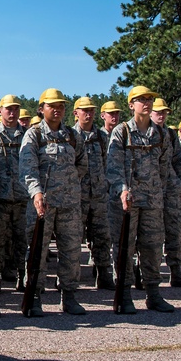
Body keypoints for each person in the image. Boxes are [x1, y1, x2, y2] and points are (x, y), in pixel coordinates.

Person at [19, 88, 89, 316]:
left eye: (61, 106)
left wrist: (67, 184)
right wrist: (37, 193)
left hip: (69, 204)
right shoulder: (34, 134)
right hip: (43, 205)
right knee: (38, 251)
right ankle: (35, 296)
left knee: (71, 250)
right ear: (41, 109)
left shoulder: (71, 135)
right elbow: (27, 169)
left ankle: (69, 296)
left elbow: (82, 164)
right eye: (52, 106)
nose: (57, 109)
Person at [106, 87, 176, 313]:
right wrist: (123, 190)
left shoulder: (162, 134)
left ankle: (153, 293)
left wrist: (159, 191)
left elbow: (165, 168)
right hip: (127, 201)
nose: (146, 103)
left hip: (153, 201)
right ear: (130, 104)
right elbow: (113, 166)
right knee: (125, 247)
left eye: (149, 99)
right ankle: (124, 293)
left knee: (153, 247)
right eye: (140, 100)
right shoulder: (122, 131)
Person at [0, 95, 29, 293]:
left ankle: (22, 274)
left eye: (15, 109)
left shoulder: (28, 135)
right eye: (8, 109)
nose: (12, 113)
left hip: (23, 197)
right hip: (0, 198)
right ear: (0, 110)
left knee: (22, 238)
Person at [72, 96, 115, 292]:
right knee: (72, 237)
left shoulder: (102, 137)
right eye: (84, 110)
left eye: (91, 110)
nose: (88, 114)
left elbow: (108, 163)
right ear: (76, 113)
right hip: (76, 195)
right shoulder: (70, 136)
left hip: (99, 195)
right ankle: (71, 276)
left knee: (102, 236)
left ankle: (104, 273)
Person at [150, 98, 181, 287]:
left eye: (164, 112)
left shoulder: (171, 134)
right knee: (151, 234)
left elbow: (178, 161)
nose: (161, 115)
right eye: (158, 112)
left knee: (174, 230)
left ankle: (175, 271)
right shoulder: (143, 132)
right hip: (149, 188)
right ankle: (150, 273)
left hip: (171, 187)